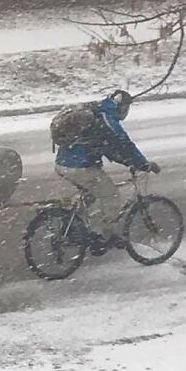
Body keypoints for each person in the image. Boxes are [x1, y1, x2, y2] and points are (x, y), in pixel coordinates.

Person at [54, 89, 160, 250]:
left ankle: (75, 229)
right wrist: (143, 164)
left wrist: (128, 162)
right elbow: (124, 144)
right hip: (78, 166)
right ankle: (101, 237)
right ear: (122, 107)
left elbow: (109, 148)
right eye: (126, 108)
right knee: (111, 195)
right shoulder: (107, 119)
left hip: (63, 164)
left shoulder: (98, 112)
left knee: (92, 196)